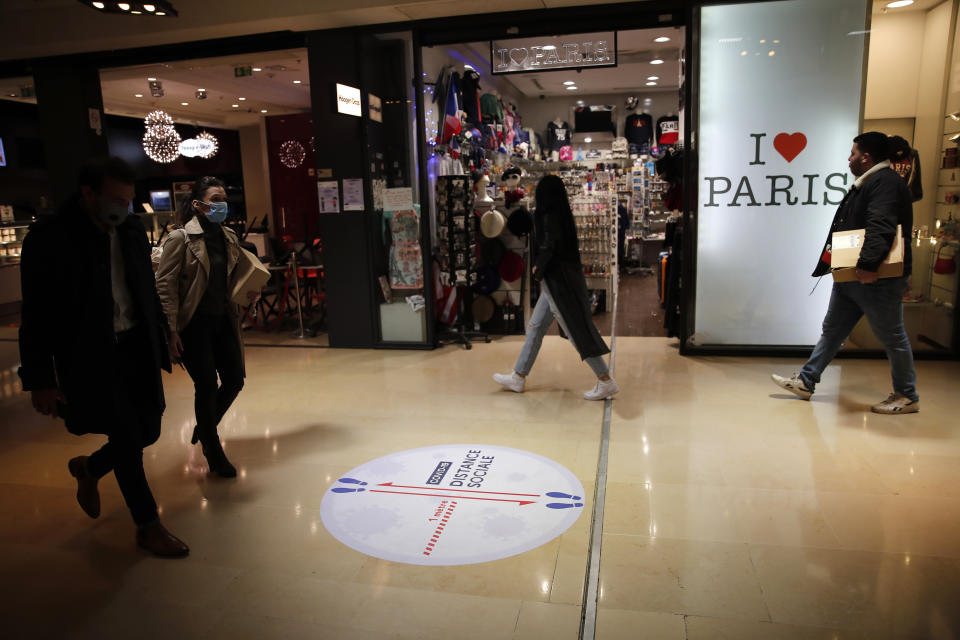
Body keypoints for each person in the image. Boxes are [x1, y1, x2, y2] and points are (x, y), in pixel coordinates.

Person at [18, 157, 188, 557]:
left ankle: (90, 468)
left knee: (149, 429)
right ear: (88, 193)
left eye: (128, 200)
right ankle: (148, 524)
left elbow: (145, 289)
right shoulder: (50, 237)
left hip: (137, 347)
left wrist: (167, 332)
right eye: (115, 198)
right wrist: (40, 379)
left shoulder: (129, 230)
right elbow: (36, 312)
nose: (122, 207)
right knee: (128, 437)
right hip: (92, 354)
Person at [772, 132, 918, 414]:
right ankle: (806, 380)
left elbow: (881, 225)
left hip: (873, 278)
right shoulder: (870, 182)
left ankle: (907, 395)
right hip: (852, 275)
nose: (848, 158)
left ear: (866, 157)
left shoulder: (884, 183)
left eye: (852, 153)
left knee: (892, 336)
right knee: (833, 330)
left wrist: (867, 265)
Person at [156, 176, 251, 476]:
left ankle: (205, 425)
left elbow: (233, 279)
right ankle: (212, 448)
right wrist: (170, 329)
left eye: (224, 198)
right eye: (215, 198)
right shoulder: (180, 239)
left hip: (223, 319)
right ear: (198, 204)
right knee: (207, 385)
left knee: (235, 379)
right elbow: (165, 285)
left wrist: (249, 290)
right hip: (193, 324)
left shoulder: (229, 237)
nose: (222, 204)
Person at [493, 175, 619, 401]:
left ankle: (605, 380)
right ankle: (519, 376)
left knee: (574, 330)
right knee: (536, 327)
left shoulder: (549, 216)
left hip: (559, 283)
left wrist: (537, 268)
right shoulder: (561, 214)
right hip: (559, 281)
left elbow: (549, 246)